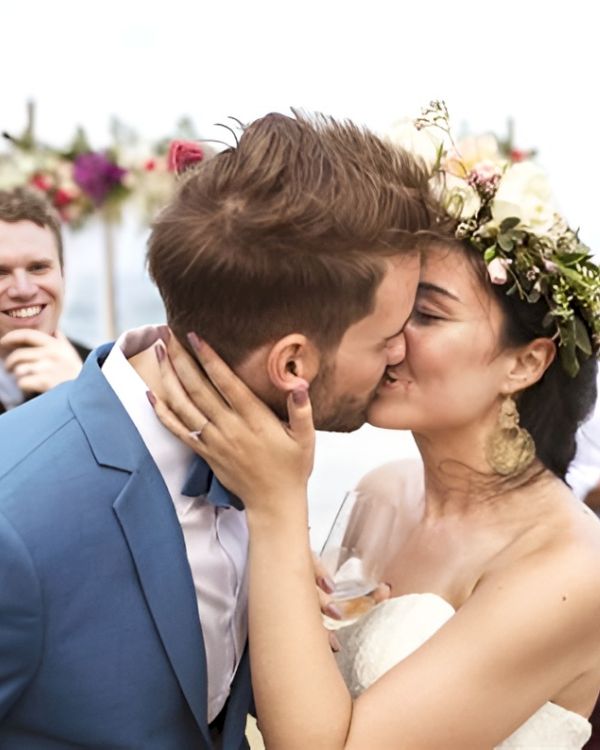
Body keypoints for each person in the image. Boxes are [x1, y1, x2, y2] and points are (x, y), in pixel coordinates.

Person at [150, 117, 600, 748]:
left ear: (525, 362)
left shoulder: (572, 570)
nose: (389, 336)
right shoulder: (383, 490)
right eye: (392, 305)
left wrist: (278, 507)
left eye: (428, 313)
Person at [0, 112, 443, 749]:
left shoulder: (263, 464)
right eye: (387, 334)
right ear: (293, 364)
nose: (402, 352)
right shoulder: (17, 520)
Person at [0, 187, 90, 414]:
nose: (23, 290)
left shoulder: (110, 374)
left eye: (38, 268)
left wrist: (84, 397)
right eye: (1, 273)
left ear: (63, 274)